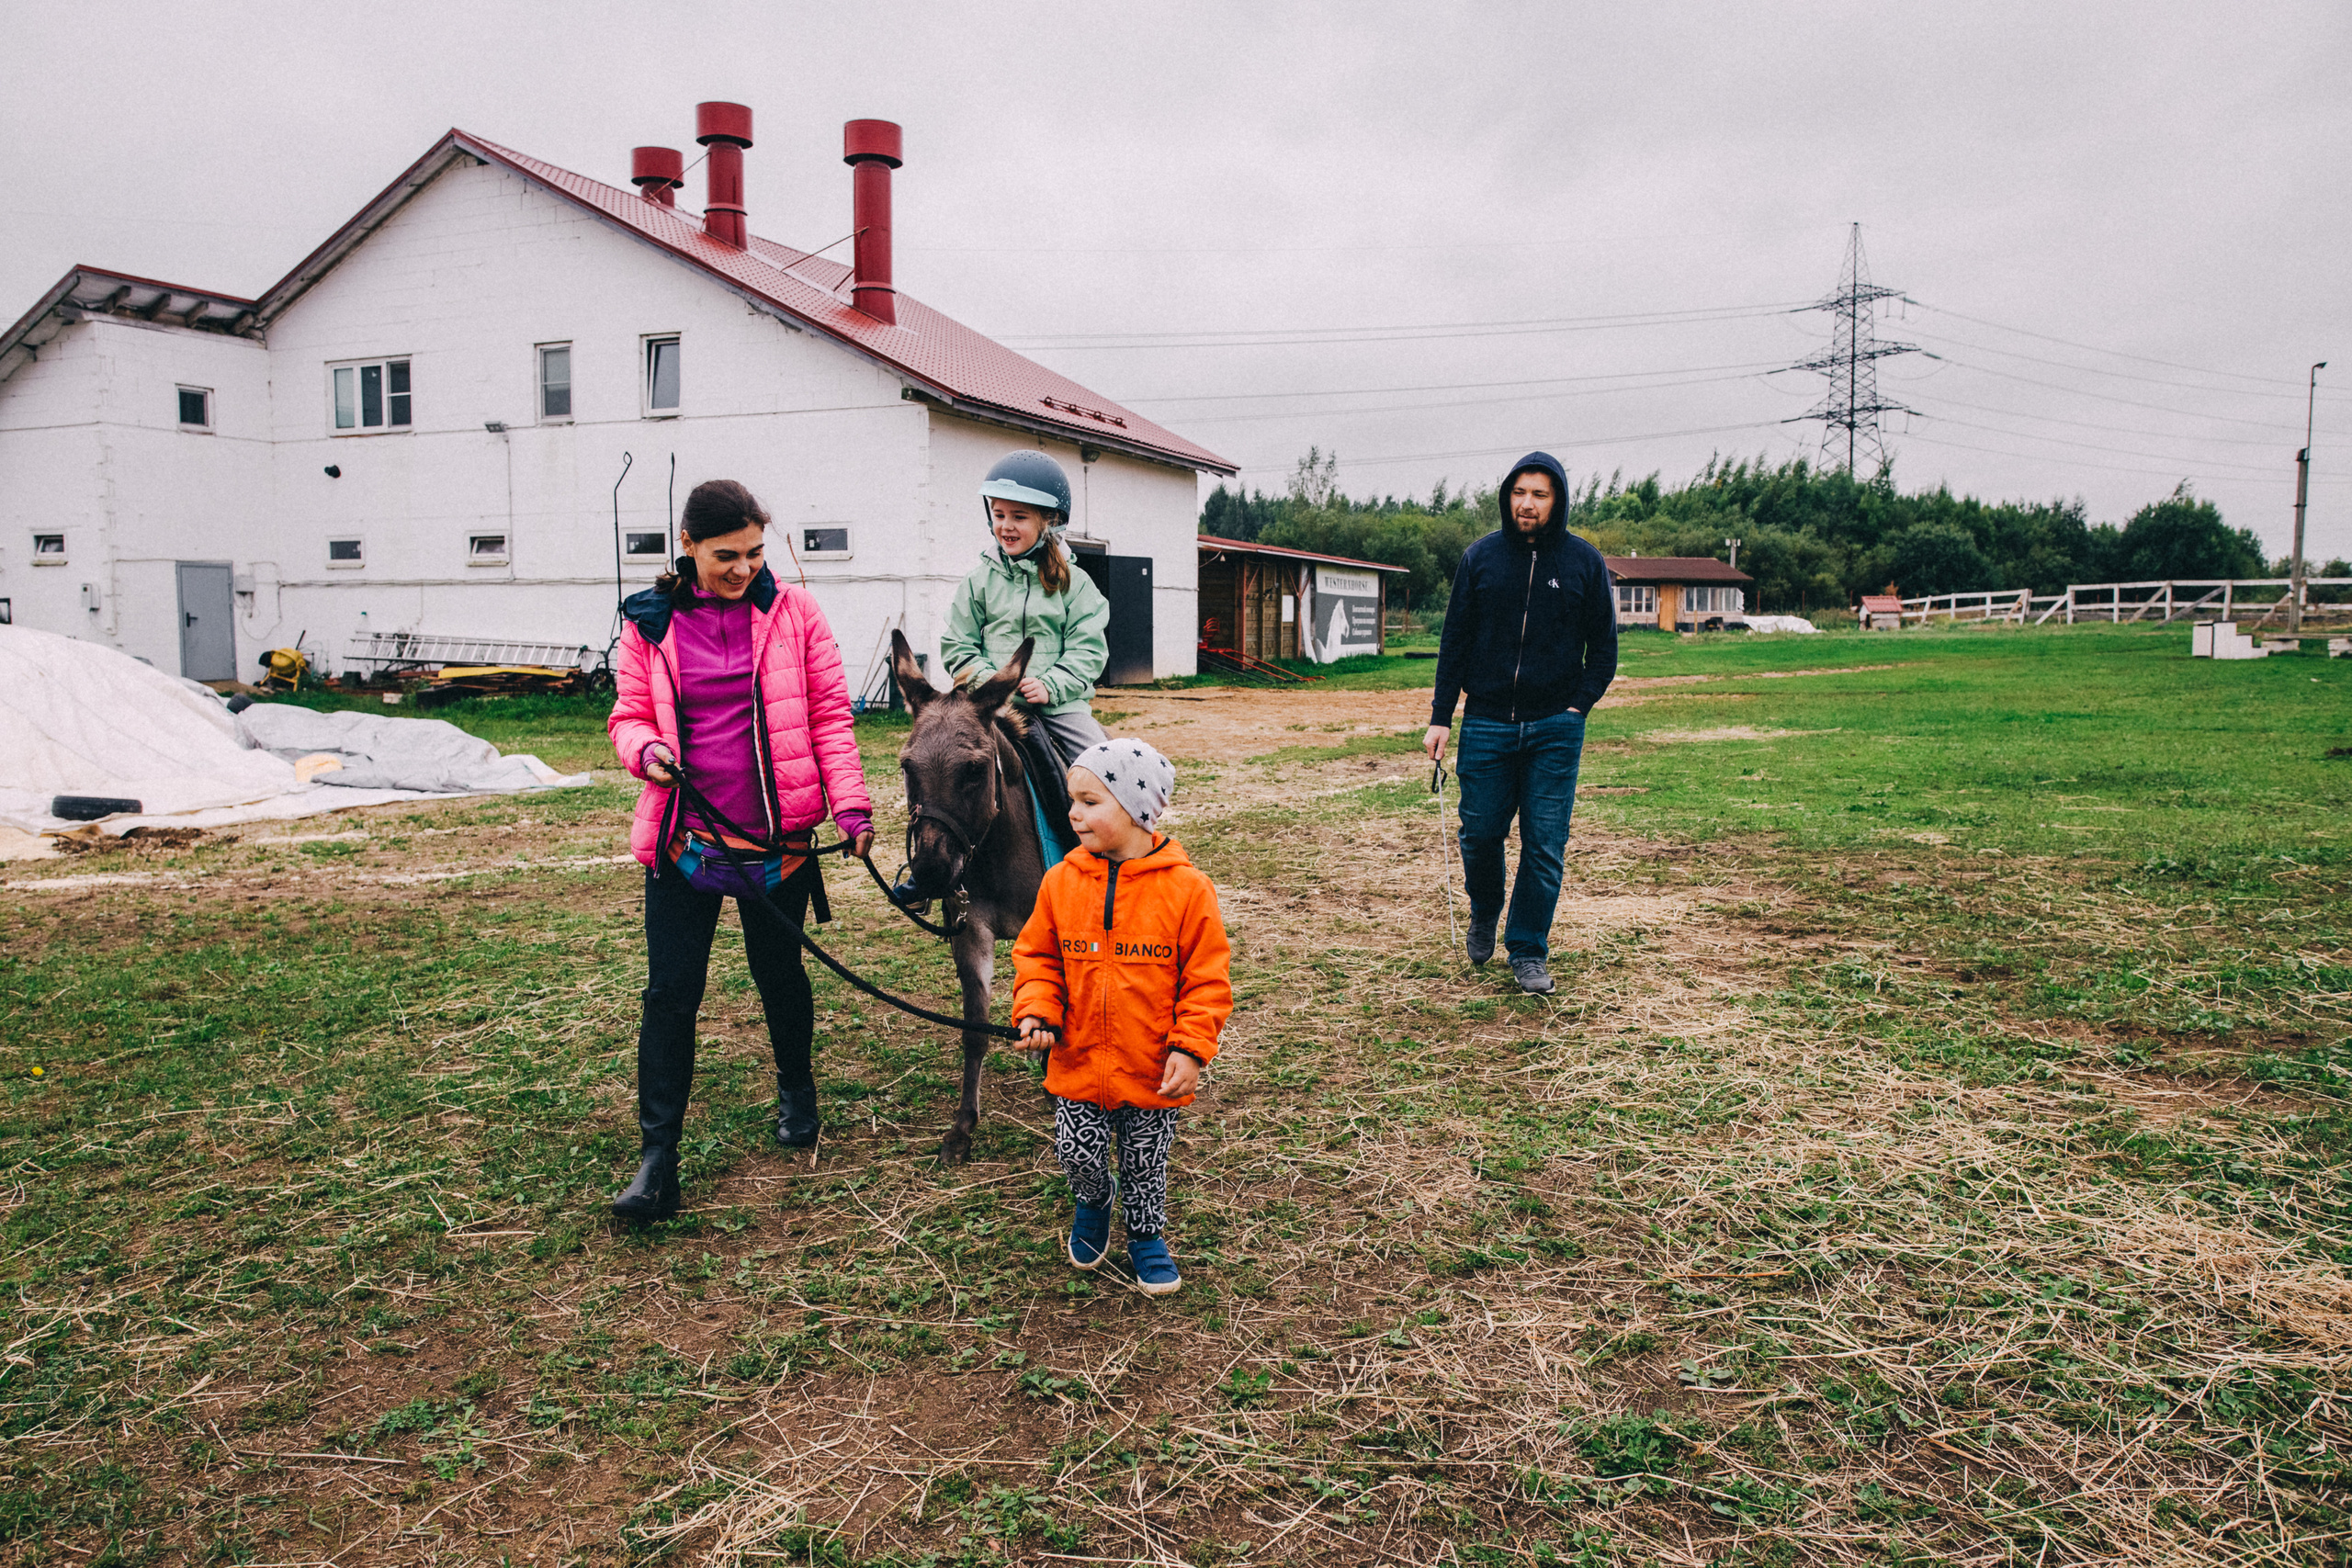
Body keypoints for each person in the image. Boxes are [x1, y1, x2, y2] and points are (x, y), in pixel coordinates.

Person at [606, 479, 876, 1224]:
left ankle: (797, 1086)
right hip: (686, 841)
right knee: (671, 994)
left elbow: (829, 716)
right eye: (727, 555)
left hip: (776, 844)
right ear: (687, 545)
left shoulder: (796, 613)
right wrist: (647, 748)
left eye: (756, 552)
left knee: (778, 973)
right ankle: (658, 1159)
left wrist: (850, 806)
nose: (745, 567)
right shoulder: (649, 625)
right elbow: (626, 716)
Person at [1012, 739, 1231, 1295]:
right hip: (1079, 1061)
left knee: (1144, 1163)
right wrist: (1037, 1011)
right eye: (1072, 801)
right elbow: (1038, 957)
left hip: (1151, 1067)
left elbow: (1206, 980)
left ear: (1136, 810)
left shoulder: (1187, 890)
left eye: (1089, 802)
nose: (1073, 814)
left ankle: (1145, 1234)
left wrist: (1189, 1048)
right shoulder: (1060, 882)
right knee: (1077, 1152)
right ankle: (1093, 1200)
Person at [1423, 451, 1618, 997]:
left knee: (1543, 845)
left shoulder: (1583, 562)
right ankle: (1485, 908)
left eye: (1539, 494)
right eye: (1519, 493)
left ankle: (1528, 948)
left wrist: (1577, 706)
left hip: (1555, 728)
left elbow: (1603, 649)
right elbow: (1454, 642)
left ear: (1557, 502)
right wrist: (1442, 717)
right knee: (1480, 834)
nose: (1526, 504)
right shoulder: (1480, 559)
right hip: (1486, 723)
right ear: (1507, 496)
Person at [941, 450, 1112, 769]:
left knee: (1107, 768)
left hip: (1060, 708)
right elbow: (957, 644)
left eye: (1019, 517)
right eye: (999, 514)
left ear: (1050, 521)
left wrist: (1051, 684)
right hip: (989, 706)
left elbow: (1088, 649)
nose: (1006, 526)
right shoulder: (978, 581)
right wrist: (990, 682)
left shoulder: (1077, 584)